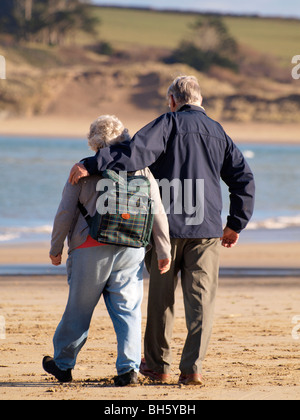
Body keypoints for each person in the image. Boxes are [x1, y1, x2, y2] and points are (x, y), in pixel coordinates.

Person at [69, 76, 255, 385]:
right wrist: (236, 223)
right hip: (206, 230)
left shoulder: (167, 124)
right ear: (199, 100)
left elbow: (133, 155)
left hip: (164, 229)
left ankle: (157, 366)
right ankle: (192, 368)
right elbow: (243, 179)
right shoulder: (218, 132)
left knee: (160, 300)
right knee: (201, 303)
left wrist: (94, 161)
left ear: (172, 100)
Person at [43, 115, 171, 386]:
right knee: (128, 310)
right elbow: (157, 211)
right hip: (132, 246)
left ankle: (63, 364)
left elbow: (65, 212)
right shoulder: (142, 170)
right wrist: (163, 250)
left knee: (79, 309)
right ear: (124, 138)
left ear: (93, 142)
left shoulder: (82, 170)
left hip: (89, 248)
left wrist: (56, 248)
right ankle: (129, 369)